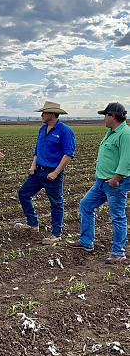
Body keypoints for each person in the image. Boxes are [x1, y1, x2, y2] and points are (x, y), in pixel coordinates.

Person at [68, 102, 130, 264]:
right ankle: (86, 242)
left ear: (113, 116)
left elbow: (126, 160)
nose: (103, 118)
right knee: (86, 205)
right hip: (101, 182)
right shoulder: (111, 132)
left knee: (117, 217)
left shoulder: (125, 134)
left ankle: (118, 252)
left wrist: (116, 179)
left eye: (105, 115)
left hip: (115, 183)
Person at [16, 101, 76, 244]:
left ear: (53, 114)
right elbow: (37, 150)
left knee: (56, 203)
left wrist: (55, 172)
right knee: (23, 193)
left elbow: (68, 155)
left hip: (52, 174)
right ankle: (32, 224)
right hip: (38, 172)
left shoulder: (65, 131)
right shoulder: (42, 129)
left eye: (44, 113)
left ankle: (56, 234)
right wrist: (33, 166)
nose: (41, 115)